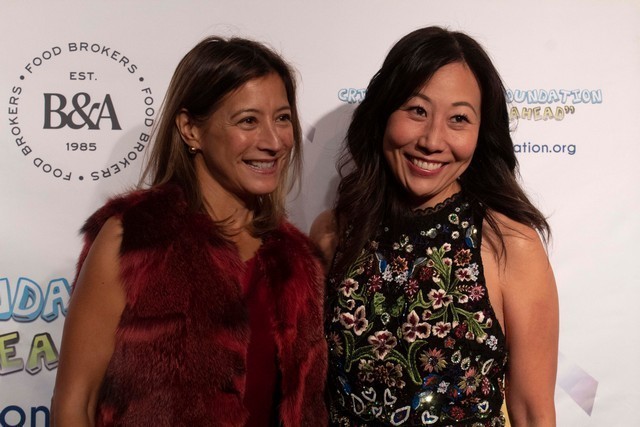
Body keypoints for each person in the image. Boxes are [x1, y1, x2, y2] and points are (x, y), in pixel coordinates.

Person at [51, 36, 327, 426]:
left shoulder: (297, 261)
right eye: (248, 120)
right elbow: (74, 406)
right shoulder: (135, 241)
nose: (274, 141)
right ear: (190, 129)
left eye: (282, 118)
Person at [311, 26, 558, 426]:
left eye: (459, 118)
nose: (432, 140)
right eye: (417, 110)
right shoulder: (333, 232)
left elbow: (533, 412)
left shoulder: (509, 243)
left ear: (481, 133)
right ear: (383, 113)